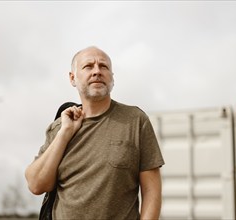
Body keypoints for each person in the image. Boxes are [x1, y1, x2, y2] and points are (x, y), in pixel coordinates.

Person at [25, 46, 165, 220]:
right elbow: (36, 185)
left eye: (104, 66)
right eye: (88, 66)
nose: (97, 71)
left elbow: (151, 191)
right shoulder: (59, 127)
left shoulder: (136, 120)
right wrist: (65, 133)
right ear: (72, 78)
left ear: (112, 77)